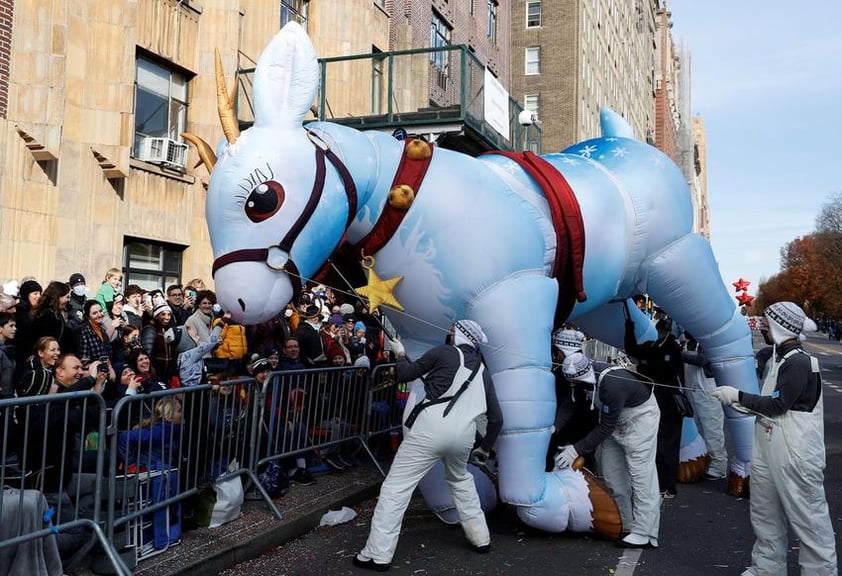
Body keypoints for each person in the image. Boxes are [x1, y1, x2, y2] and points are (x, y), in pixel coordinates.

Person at [354, 320, 503, 572]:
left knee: (396, 488)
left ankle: (377, 554)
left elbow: (404, 375)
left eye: (453, 330)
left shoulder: (442, 352)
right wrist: (485, 448)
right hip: (464, 436)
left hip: (430, 430)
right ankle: (481, 539)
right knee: (460, 481)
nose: (450, 333)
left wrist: (399, 354)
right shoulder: (482, 371)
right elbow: (497, 419)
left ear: (459, 335)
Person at [712, 302, 837, 576]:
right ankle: (767, 568)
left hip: (796, 453)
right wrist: (737, 401)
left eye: (767, 323)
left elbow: (778, 405)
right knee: (764, 513)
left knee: (809, 520)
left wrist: (737, 396)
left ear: (781, 326)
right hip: (771, 447)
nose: (763, 327)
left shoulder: (799, 363)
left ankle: (820, 572)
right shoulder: (778, 358)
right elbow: (771, 401)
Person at [558, 351, 660, 549]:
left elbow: (605, 426)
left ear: (582, 378)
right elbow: (569, 406)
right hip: (615, 421)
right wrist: (553, 427)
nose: (572, 386)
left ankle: (645, 532)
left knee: (641, 476)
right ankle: (625, 523)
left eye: (575, 383)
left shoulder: (611, 385)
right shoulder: (582, 379)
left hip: (639, 419)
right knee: (612, 474)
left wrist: (576, 450)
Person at [624, 313, 685, 499]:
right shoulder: (656, 347)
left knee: (667, 444)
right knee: (658, 443)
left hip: (668, 402)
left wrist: (630, 331)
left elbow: (635, 351)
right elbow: (633, 349)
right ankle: (661, 483)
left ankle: (668, 485)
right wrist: (630, 330)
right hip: (656, 401)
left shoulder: (671, 349)